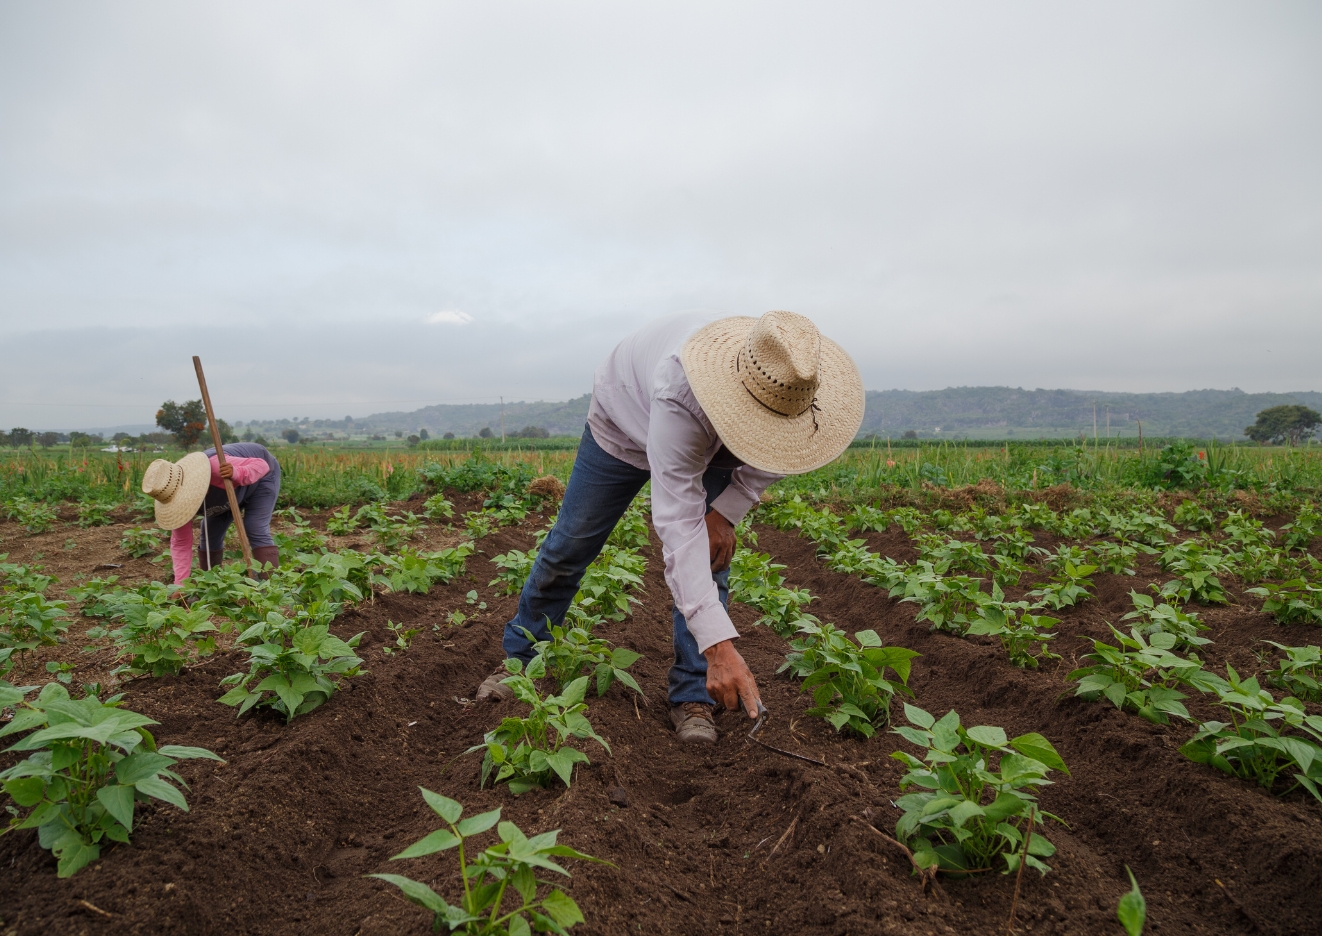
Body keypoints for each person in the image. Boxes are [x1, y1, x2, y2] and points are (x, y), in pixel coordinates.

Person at [476, 310, 864, 742]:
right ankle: (520, 659)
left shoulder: (797, 392)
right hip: (625, 420)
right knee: (571, 546)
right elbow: (679, 530)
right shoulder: (683, 391)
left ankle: (692, 694)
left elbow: (780, 458)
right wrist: (721, 647)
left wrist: (726, 512)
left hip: (714, 441)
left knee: (712, 557)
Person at [140, 442, 283, 583]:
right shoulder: (170, 493)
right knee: (209, 533)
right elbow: (181, 543)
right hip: (225, 494)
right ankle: (212, 584)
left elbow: (262, 465)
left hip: (261, 478)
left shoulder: (215, 466)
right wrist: (180, 585)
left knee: (254, 526)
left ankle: (269, 587)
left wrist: (236, 473)